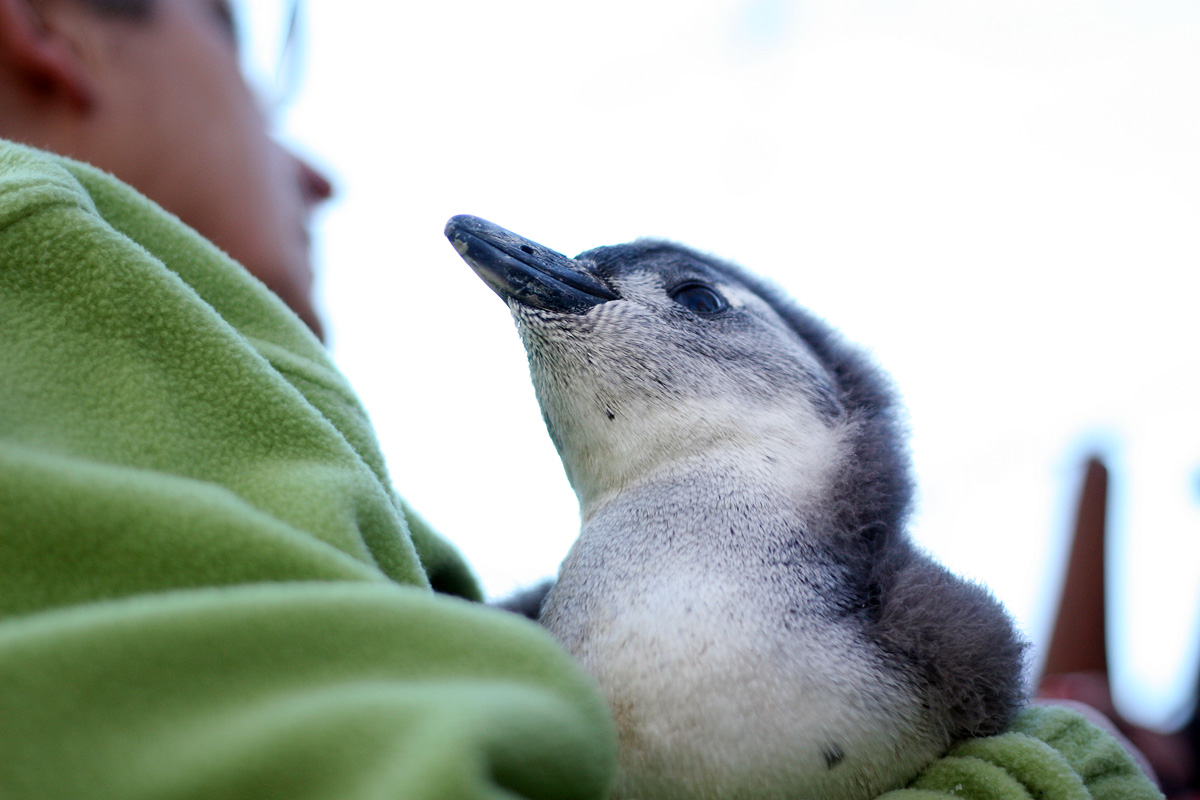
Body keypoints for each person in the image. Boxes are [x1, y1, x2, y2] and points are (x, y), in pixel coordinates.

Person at [0, 2, 1172, 799]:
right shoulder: (42, 245)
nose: (316, 167)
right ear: (48, 27)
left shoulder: (233, 424)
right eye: (258, 75)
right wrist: (1063, 768)